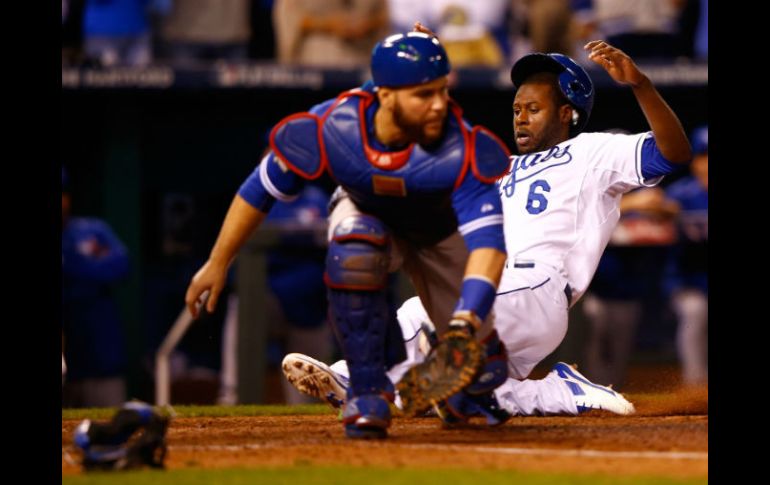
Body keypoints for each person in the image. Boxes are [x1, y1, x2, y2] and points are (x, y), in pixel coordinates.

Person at [283, 35, 693, 421]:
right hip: (501, 294)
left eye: (534, 109)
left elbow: (672, 154)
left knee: (426, 312)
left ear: (567, 113)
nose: (521, 118)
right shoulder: (501, 166)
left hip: (538, 288)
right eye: (517, 110)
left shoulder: (592, 151)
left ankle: (350, 374)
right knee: (450, 396)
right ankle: (557, 391)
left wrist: (640, 85)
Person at [185, 31, 511, 438]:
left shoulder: (461, 147)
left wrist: (465, 321)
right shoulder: (336, 125)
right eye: (424, 94)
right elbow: (260, 189)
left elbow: (490, 249)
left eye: (442, 91)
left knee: (483, 372)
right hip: (369, 213)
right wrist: (217, 262)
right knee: (354, 251)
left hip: (439, 231)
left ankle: (452, 375)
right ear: (385, 94)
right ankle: (367, 388)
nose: (439, 105)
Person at [62, 167, 131, 407]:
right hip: (69, 362)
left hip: (104, 360)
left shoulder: (91, 230)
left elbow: (121, 265)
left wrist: (71, 267)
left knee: (111, 426)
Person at [663, 125, 708, 386]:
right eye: (704, 156)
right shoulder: (679, 195)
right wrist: (659, 211)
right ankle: (696, 388)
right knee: (695, 311)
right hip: (687, 281)